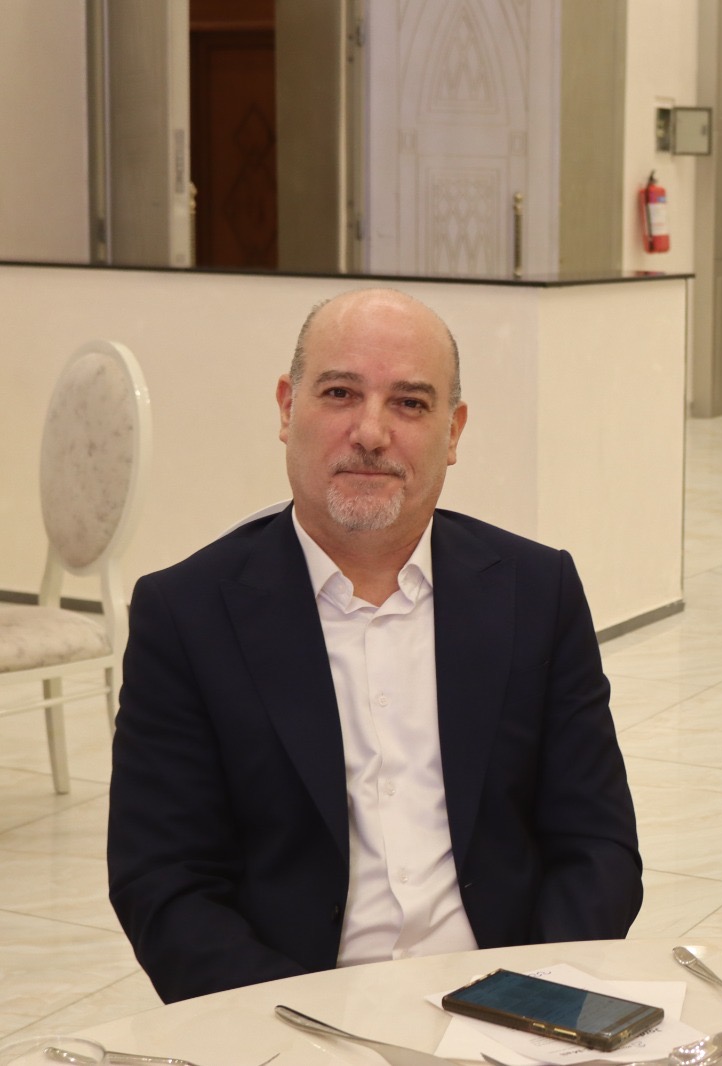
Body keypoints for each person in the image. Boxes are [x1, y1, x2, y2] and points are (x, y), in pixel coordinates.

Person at [107, 288, 643, 1003]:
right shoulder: (186, 614)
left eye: (410, 403)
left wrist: (530, 1004)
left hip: (508, 1007)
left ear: (454, 432)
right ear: (286, 409)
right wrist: (305, 1029)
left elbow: (599, 848)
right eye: (340, 393)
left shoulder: (537, 593)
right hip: (291, 1014)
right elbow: (163, 885)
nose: (370, 432)